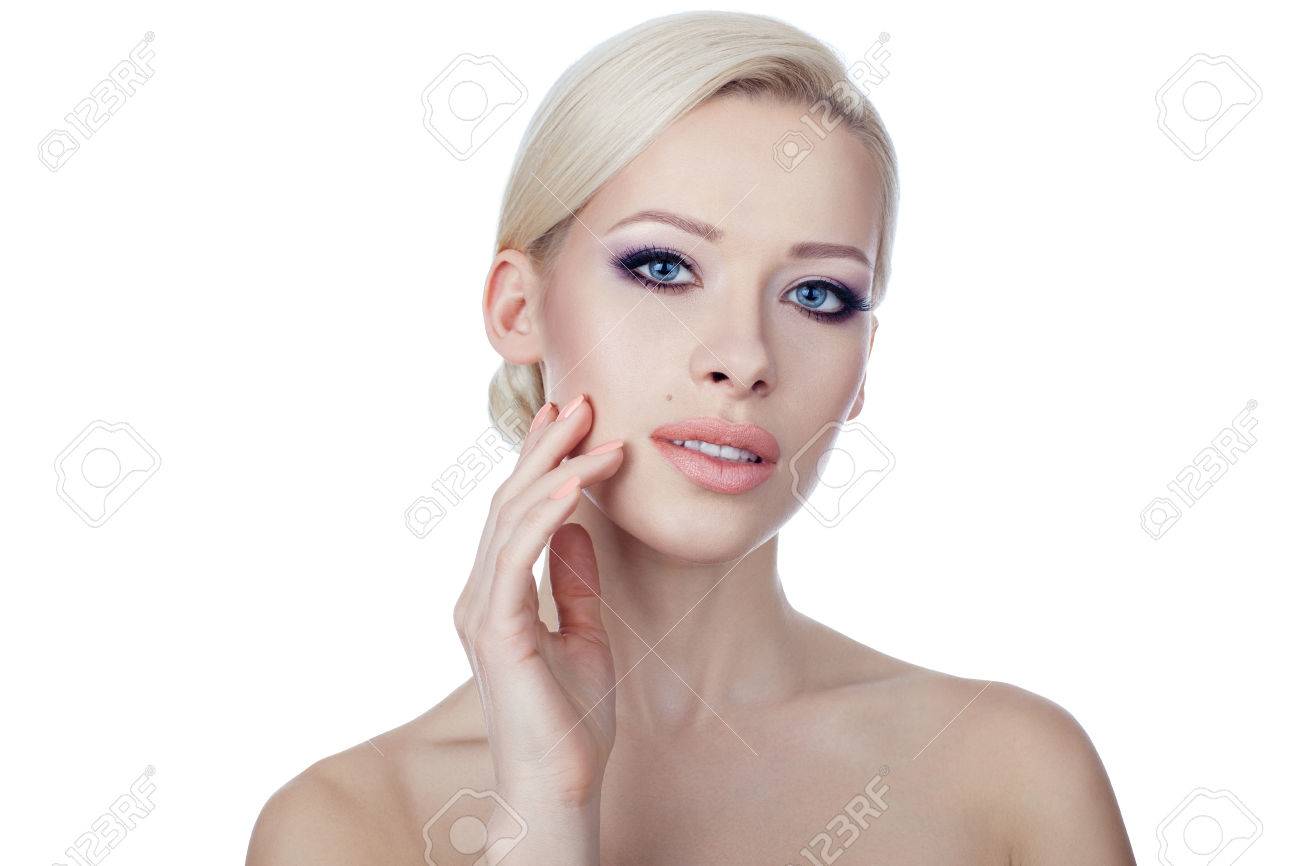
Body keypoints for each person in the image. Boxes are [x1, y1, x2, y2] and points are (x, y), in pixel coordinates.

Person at [247, 11, 1136, 865]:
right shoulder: (348, 825)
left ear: (865, 361)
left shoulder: (1013, 776)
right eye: (664, 267)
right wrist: (547, 808)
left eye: (817, 295)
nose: (744, 359)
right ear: (519, 309)